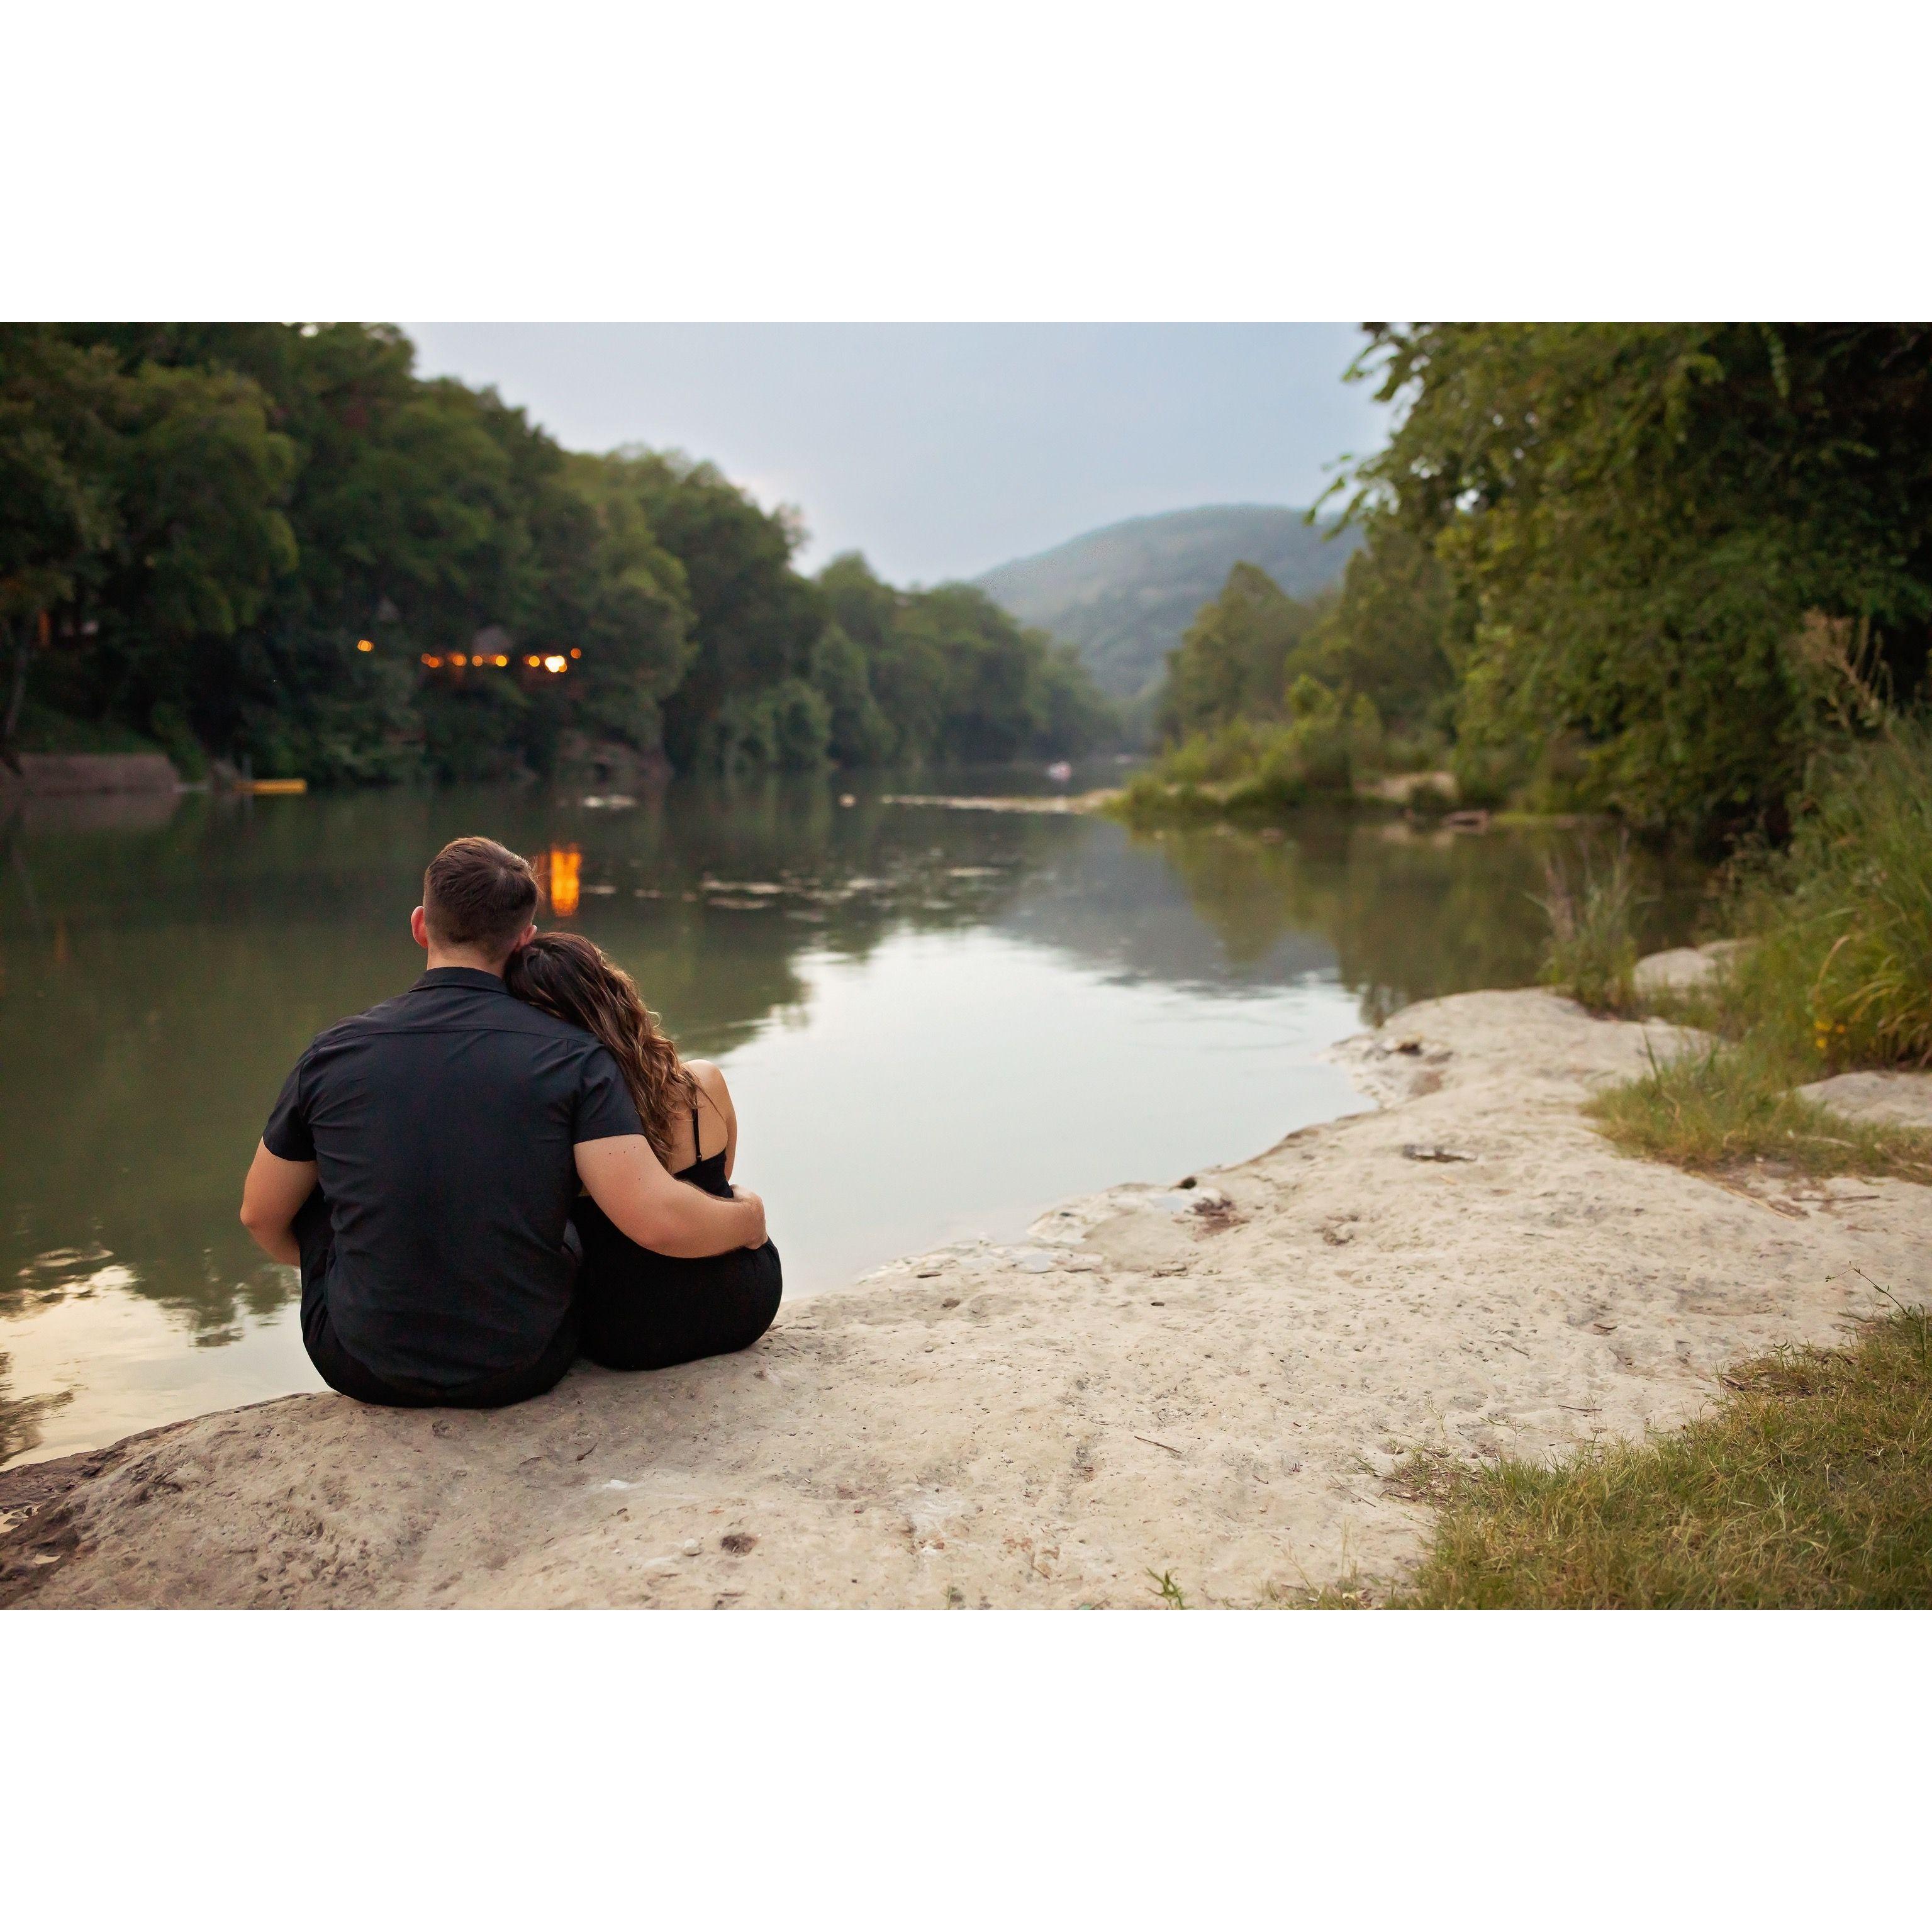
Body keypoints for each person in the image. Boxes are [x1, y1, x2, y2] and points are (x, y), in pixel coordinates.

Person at [238, 837, 765, 1409]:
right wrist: (747, 1218)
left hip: (361, 1364)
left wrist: (369, 1259)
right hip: (522, 1362)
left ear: (420, 925)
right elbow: (653, 1218)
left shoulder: (332, 1053)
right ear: (523, 940)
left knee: (320, 1188)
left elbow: (260, 1215)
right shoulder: (574, 1058)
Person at [504, 932, 783, 1371]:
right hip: (747, 1300)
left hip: (632, 1330)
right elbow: (719, 1186)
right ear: (613, 995)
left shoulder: (561, 1117)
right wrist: (749, 1217)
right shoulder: (703, 1082)